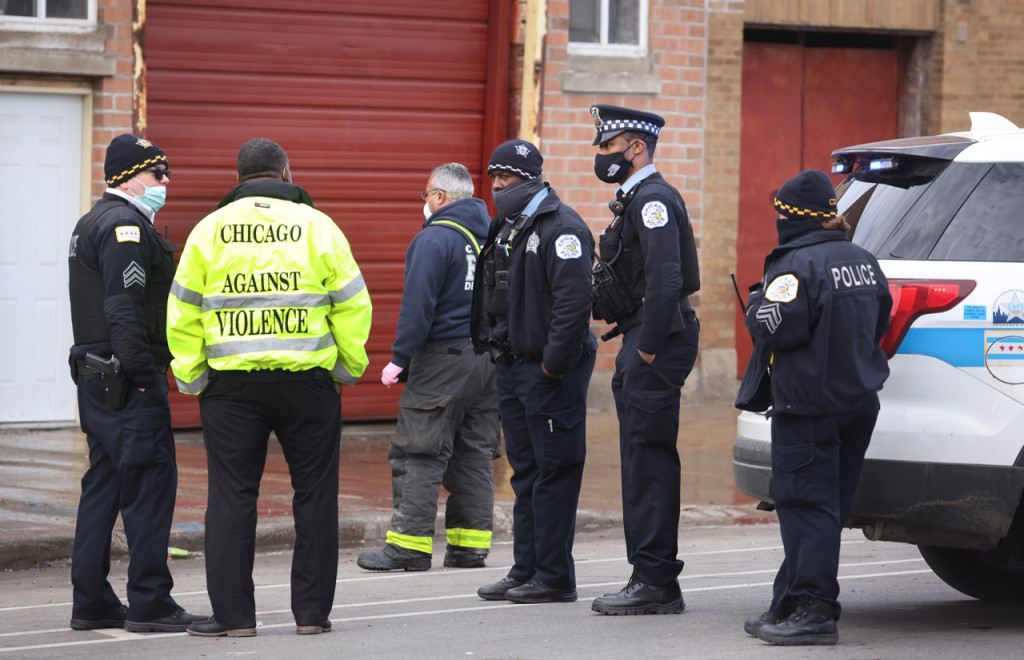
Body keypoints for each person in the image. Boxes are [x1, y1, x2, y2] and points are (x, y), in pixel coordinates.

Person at [166, 138, 372, 637]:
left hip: (231, 389)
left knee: (231, 498)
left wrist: (192, 376)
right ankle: (312, 616)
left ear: (239, 178)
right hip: (308, 385)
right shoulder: (319, 226)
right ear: (286, 172)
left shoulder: (209, 230)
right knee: (315, 495)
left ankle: (235, 618)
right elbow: (351, 304)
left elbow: (183, 310)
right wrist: (346, 368)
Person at [736, 170, 892, 646]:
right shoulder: (863, 260)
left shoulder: (795, 265)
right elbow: (881, 321)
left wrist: (756, 303)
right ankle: (790, 600)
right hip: (858, 402)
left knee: (806, 507)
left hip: (808, 405)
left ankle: (815, 609)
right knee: (826, 509)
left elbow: (774, 327)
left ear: (790, 217)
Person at [67, 134, 206, 633]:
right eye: (155, 173)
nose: (165, 181)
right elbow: (122, 308)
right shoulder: (124, 227)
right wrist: (145, 377)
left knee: (103, 486)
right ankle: (150, 602)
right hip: (127, 382)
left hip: (97, 377)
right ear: (126, 178)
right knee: (149, 487)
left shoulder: (92, 221)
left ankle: (91, 602)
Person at [471, 139, 597, 604]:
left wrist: (551, 365)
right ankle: (526, 569)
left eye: (505, 178)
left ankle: (555, 576)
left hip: (549, 371)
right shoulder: (506, 224)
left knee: (554, 471)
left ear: (530, 179)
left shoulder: (561, 228)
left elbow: (573, 304)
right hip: (512, 365)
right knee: (524, 473)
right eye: (493, 178)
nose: (497, 186)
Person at [357, 163, 500, 572]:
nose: (424, 203)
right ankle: (469, 547)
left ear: (439, 197)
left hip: (442, 359)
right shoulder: (489, 237)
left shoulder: (434, 239)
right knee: (473, 452)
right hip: (487, 360)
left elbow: (418, 307)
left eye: (426, 195)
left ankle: (409, 547)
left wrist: (400, 358)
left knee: (418, 450)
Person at [588, 104, 701, 616]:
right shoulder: (637, 198)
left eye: (609, 147)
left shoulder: (652, 199)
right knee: (640, 456)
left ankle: (656, 581)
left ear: (637, 147)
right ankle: (647, 575)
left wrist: (649, 346)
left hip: (657, 337)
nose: (602, 156)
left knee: (649, 458)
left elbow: (665, 278)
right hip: (643, 336)